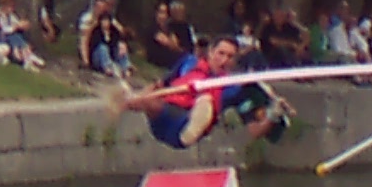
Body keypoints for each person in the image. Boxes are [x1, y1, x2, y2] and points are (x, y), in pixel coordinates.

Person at [120, 35, 291, 149]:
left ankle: (193, 127)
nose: (224, 60)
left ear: (235, 60)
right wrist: (136, 99)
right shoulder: (188, 63)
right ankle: (126, 100)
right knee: (151, 103)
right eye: (221, 54)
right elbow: (159, 85)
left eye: (230, 56)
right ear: (211, 52)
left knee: (207, 100)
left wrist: (273, 115)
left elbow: (254, 131)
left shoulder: (236, 89)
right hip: (165, 118)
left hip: (187, 125)